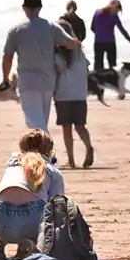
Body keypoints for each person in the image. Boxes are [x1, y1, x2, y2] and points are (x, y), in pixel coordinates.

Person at [0, 129, 65, 260]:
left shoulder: (11, 166)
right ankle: (25, 250)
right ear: (49, 150)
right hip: (31, 225)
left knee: (9, 204)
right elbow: (56, 207)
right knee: (44, 210)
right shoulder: (52, 171)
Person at [0, 0, 79, 132]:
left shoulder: (16, 31)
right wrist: (71, 31)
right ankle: (44, 150)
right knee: (41, 120)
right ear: (40, 7)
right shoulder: (51, 27)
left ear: (24, 8)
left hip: (28, 81)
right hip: (48, 82)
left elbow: (8, 57)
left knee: (35, 122)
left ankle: (45, 150)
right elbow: (72, 44)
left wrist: (5, 78)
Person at [54, 19, 95, 169]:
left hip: (63, 94)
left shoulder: (57, 56)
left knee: (67, 129)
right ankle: (89, 146)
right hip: (79, 94)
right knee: (80, 126)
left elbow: (54, 74)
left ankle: (71, 160)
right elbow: (87, 70)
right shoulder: (79, 53)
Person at [90, 0, 130, 71]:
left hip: (98, 42)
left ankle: (99, 81)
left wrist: (100, 34)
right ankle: (108, 81)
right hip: (110, 43)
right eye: (117, 10)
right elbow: (123, 31)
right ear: (113, 7)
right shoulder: (114, 17)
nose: (117, 12)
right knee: (112, 66)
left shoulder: (97, 12)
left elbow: (92, 28)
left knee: (98, 66)